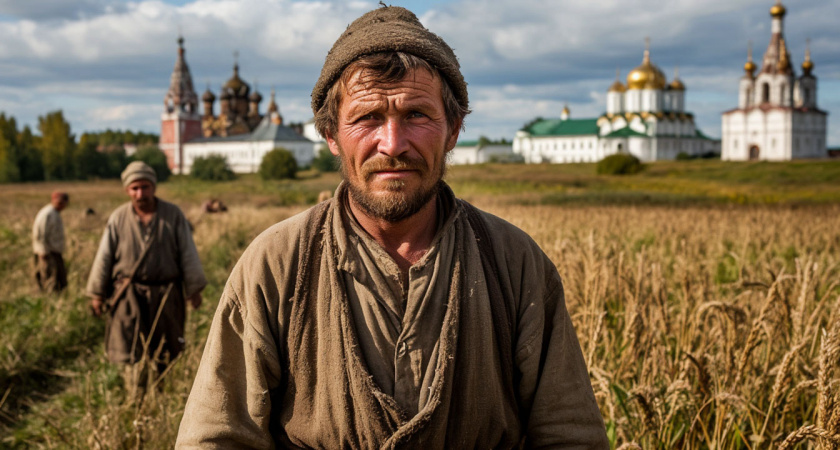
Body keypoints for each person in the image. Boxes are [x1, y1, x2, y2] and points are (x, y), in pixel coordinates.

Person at [177, 6, 608, 448]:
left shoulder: (513, 263)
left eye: (417, 115)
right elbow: (217, 437)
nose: (393, 144)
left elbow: (570, 435)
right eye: (367, 117)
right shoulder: (277, 264)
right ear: (331, 135)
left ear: (453, 130)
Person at [86, 161, 207, 391]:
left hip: (166, 294)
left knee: (166, 347)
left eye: (145, 187)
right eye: (135, 188)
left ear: (154, 187)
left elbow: (188, 253)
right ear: (127, 190)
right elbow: (104, 257)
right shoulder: (118, 217)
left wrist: (193, 290)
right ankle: (136, 392)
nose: (140, 193)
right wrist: (97, 294)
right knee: (130, 347)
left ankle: (162, 390)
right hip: (129, 295)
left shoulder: (173, 215)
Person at [32, 191, 69, 293]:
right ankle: (49, 297)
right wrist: (42, 251)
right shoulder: (47, 213)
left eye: (64, 204)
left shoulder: (55, 213)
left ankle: (57, 296)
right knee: (50, 277)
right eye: (60, 203)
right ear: (54, 201)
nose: (62, 206)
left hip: (55, 251)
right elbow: (39, 233)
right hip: (47, 252)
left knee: (59, 277)